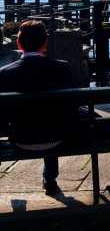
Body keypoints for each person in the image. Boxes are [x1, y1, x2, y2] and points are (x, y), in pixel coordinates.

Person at [0, 20, 73, 196]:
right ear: (45, 43)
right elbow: (70, 107)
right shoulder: (62, 68)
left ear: (18, 43)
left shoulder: (5, 73)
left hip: (21, 138)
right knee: (50, 116)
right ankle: (50, 180)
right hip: (56, 137)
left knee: (36, 117)